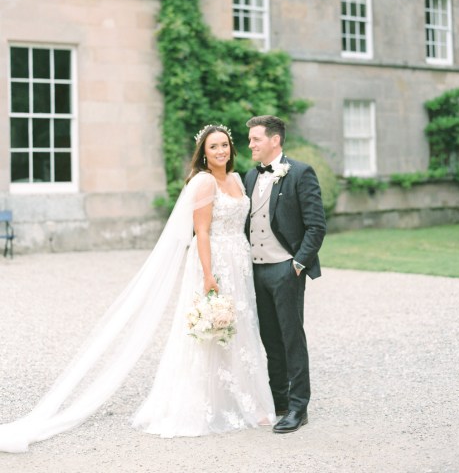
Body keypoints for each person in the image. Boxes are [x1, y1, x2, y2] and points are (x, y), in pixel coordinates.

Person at [0, 125, 275, 452]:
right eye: (214, 146)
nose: (221, 151)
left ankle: (243, 400)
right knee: (210, 331)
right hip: (214, 263)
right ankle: (205, 405)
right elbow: (201, 232)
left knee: (239, 328)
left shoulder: (236, 179)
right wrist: (208, 275)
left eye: (225, 145)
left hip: (238, 262)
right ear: (204, 152)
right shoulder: (203, 182)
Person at [244, 115, 326, 434]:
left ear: (274, 140)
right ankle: (279, 402)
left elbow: (316, 225)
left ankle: (298, 407)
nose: (250, 144)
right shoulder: (250, 177)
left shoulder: (301, 173)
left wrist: (298, 263)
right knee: (270, 339)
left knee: (292, 337)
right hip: (257, 270)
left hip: (285, 268)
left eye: (255, 139)